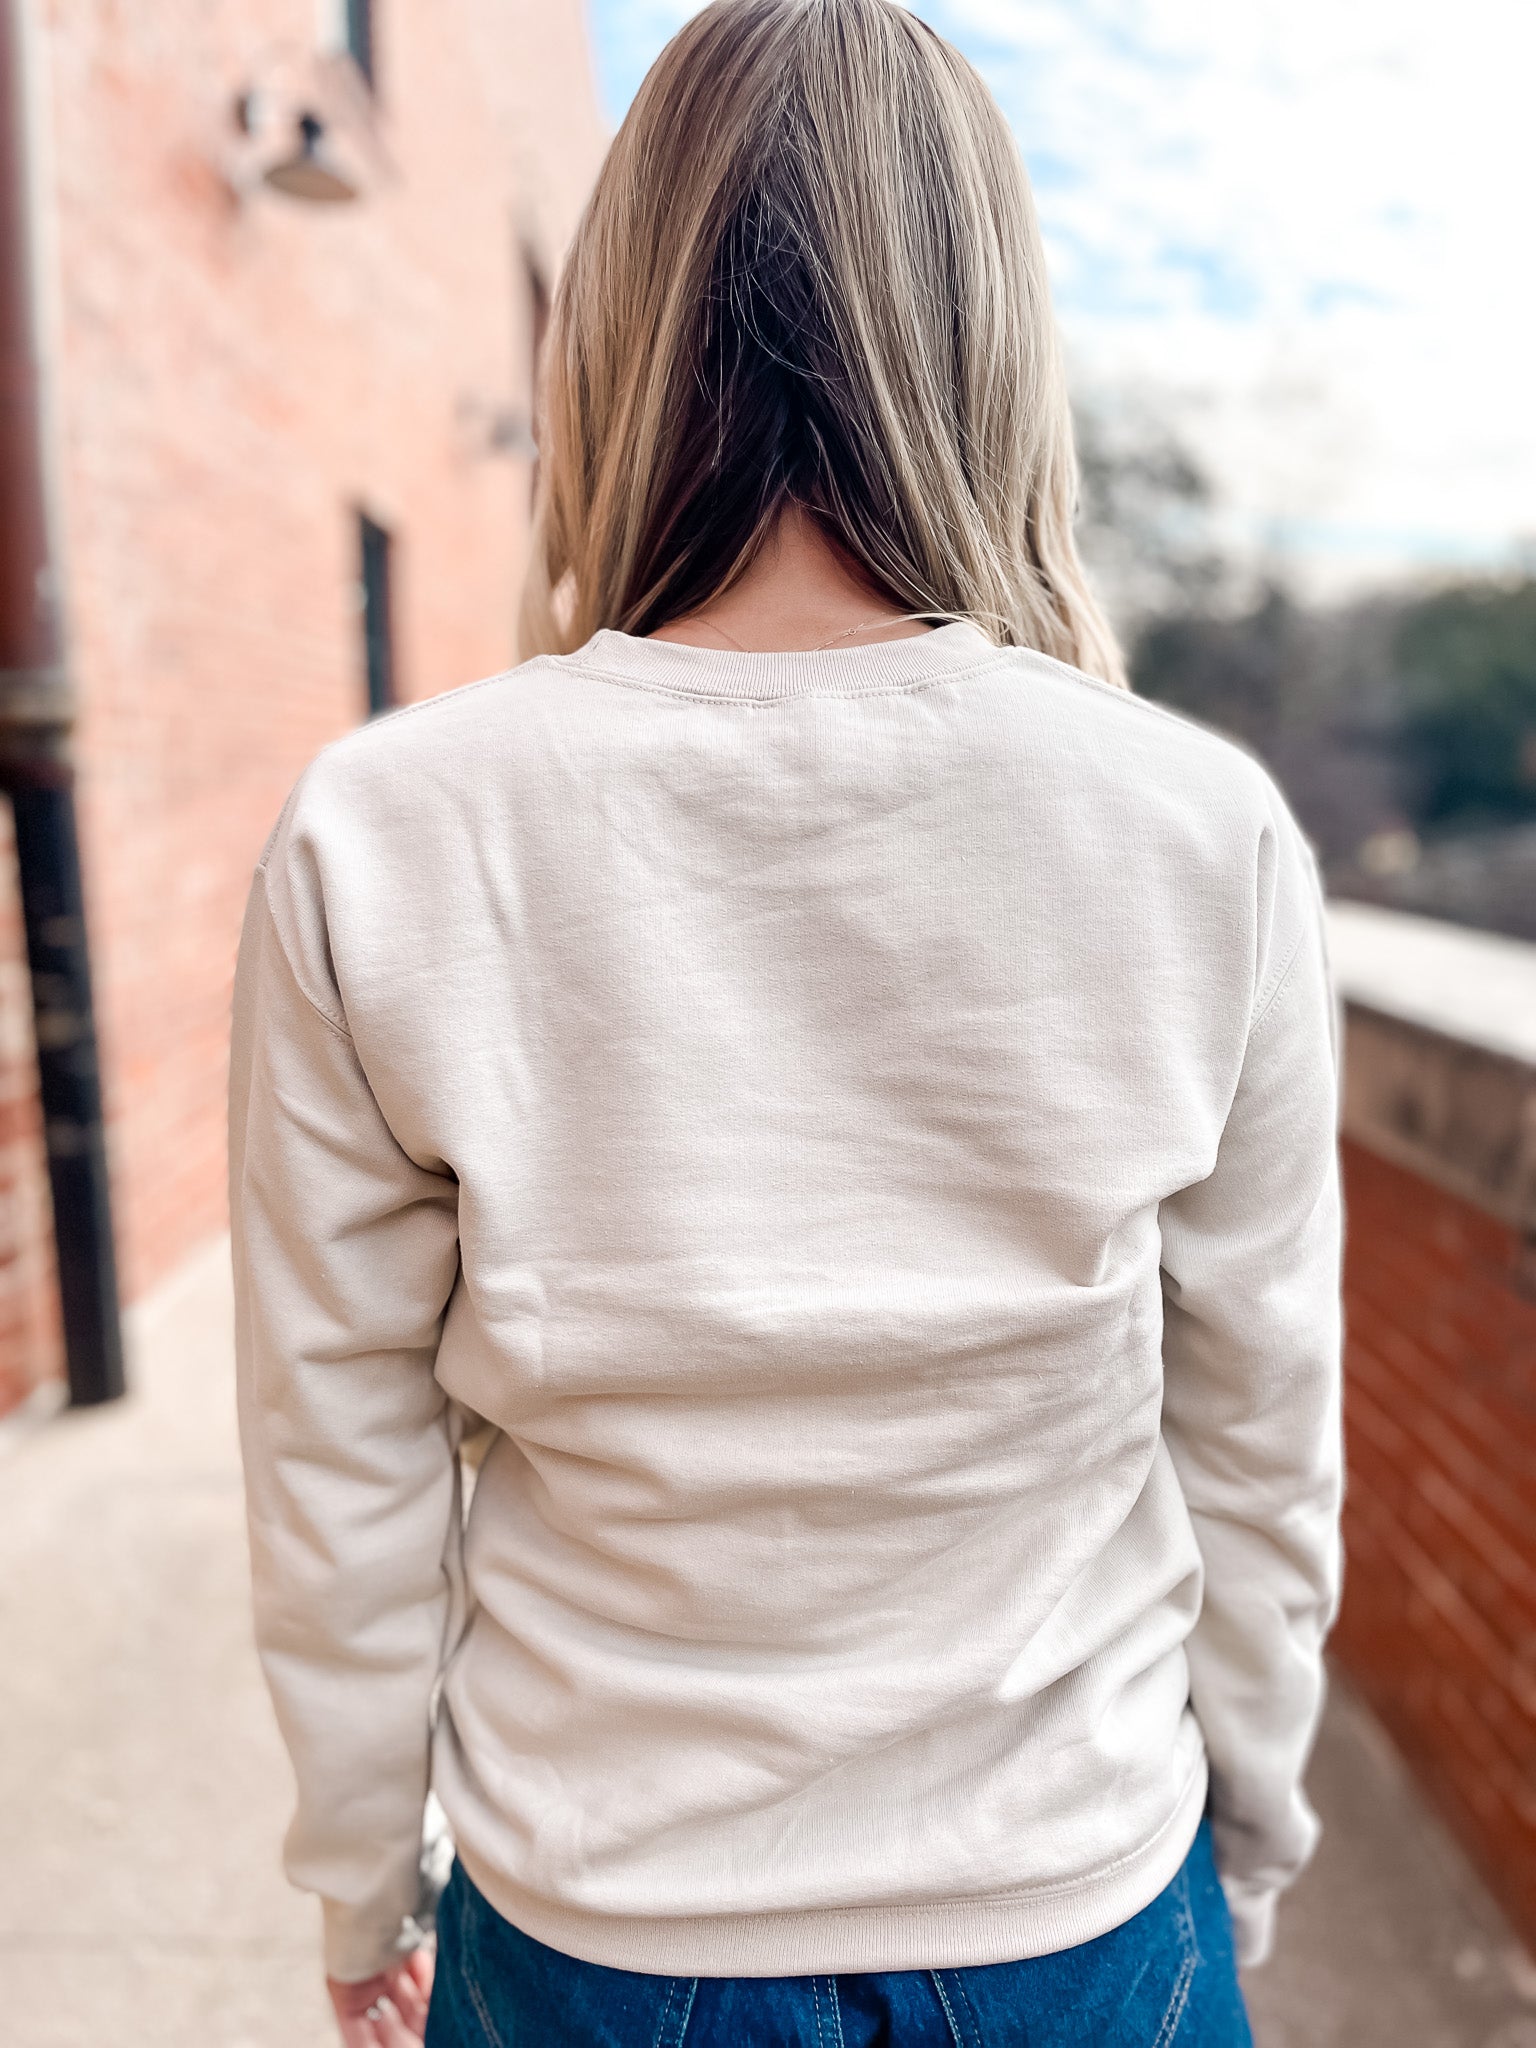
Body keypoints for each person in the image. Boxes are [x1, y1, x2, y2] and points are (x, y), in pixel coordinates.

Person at [227, 2, 1344, 2043]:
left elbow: (340, 1457)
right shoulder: (1205, 837)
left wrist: (352, 1861)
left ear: (618, 330)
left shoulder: (385, 835)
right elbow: (1262, 1434)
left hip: (603, 1924)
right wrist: (1248, 1832)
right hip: (1080, 1900)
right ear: (993, 341)